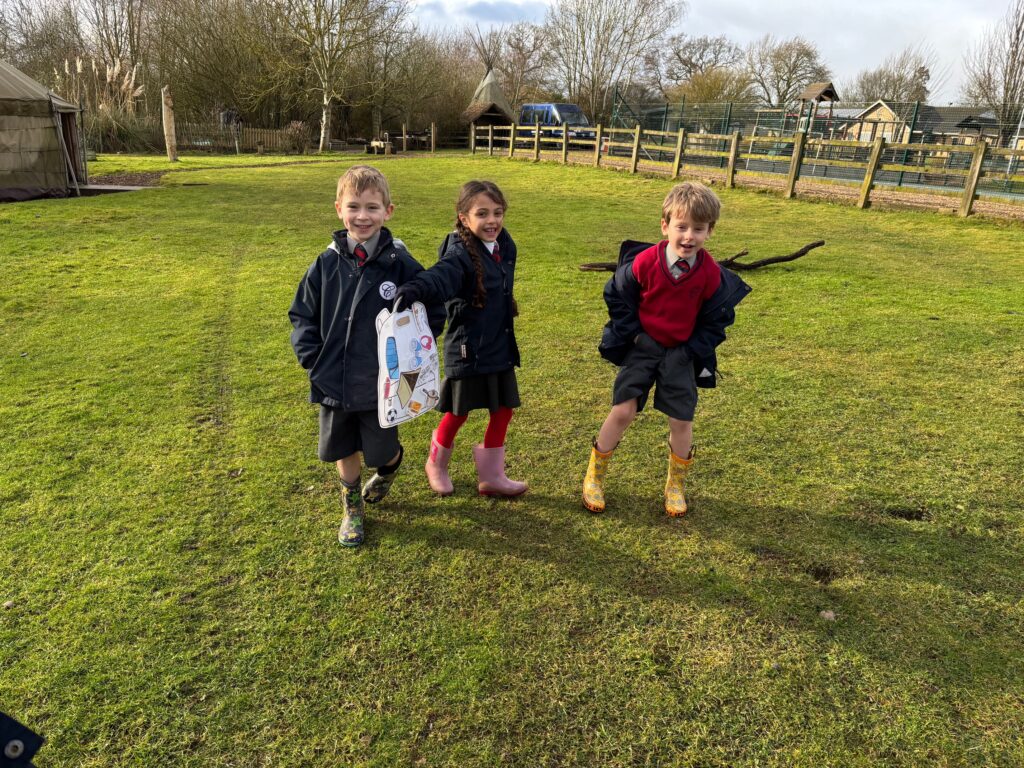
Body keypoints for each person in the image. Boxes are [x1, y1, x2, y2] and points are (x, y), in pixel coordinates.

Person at [289, 165, 443, 547]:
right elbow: (302, 314)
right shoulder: (325, 264)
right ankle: (352, 507)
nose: (362, 216)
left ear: (388, 211)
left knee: (381, 452)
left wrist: (415, 351)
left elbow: (432, 309)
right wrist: (312, 356)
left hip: (382, 384)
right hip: (333, 378)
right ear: (338, 208)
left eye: (372, 207)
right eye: (354, 206)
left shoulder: (402, 265)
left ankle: (389, 470)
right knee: (343, 447)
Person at [583, 182, 751, 516]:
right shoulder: (645, 262)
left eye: (698, 229)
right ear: (665, 226)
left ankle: (675, 485)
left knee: (681, 421)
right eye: (682, 227)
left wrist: (691, 350)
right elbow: (616, 293)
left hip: (681, 354)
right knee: (623, 411)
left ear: (710, 231)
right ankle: (594, 476)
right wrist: (632, 335)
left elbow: (718, 319)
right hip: (644, 347)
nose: (689, 236)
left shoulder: (711, 275)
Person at [393, 180, 527, 498]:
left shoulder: (505, 245)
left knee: (503, 409)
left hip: (499, 343)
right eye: (482, 213)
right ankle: (436, 464)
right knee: (458, 411)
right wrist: (416, 289)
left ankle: (492, 475)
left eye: (498, 212)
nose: (492, 220)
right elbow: (441, 274)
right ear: (464, 218)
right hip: (467, 348)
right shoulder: (459, 253)